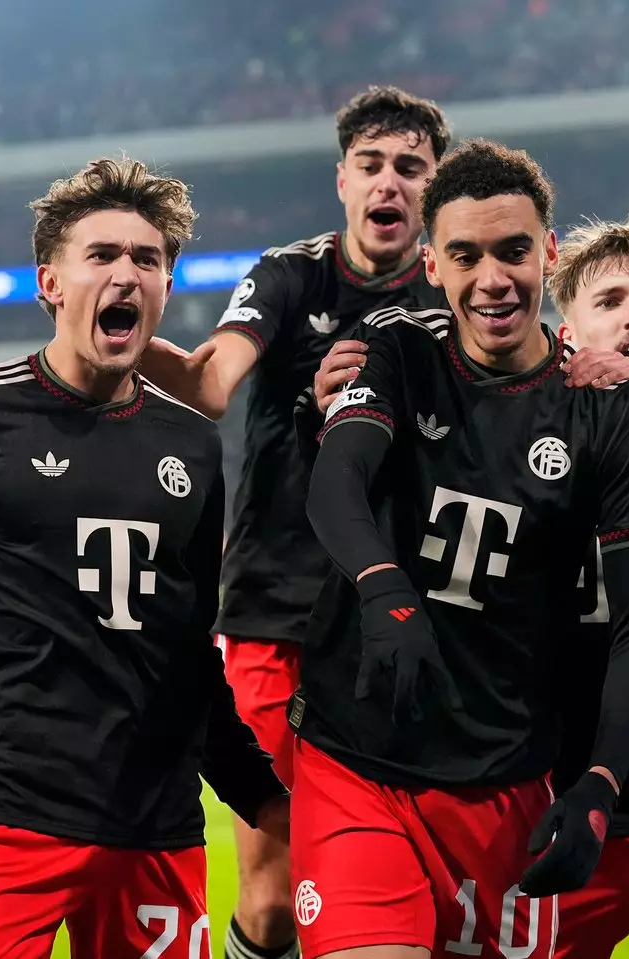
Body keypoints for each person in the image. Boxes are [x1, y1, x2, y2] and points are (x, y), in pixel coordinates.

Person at [0, 157, 287, 959]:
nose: (127, 274)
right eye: (101, 255)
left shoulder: (194, 446)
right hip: (5, 823)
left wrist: (272, 803)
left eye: (148, 259)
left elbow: (186, 659)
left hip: (157, 834)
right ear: (51, 283)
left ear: (166, 289)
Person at [314, 218, 629, 958]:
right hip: (545, 804)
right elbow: (428, 354)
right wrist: (354, 379)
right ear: (568, 329)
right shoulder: (531, 423)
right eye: (613, 300)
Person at [294, 141, 629, 959]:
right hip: (356, 758)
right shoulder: (401, 350)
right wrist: (381, 585)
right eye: (465, 256)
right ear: (433, 265)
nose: (493, 280)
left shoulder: (609, 412)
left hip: (504, 779)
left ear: (547, 254)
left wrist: (601, 783)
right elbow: (336, 484)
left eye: (512, 252)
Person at [139, 85, 451, 959]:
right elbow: (208, 384)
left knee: (410, 881)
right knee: (276, 897)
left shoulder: (455, 290)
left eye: (411, 169)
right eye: (373, 165)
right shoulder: (288, 274)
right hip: (276, 612)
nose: (390, 183)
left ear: (432, 188)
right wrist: (96, 334)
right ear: (343, 180)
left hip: (400, 619)